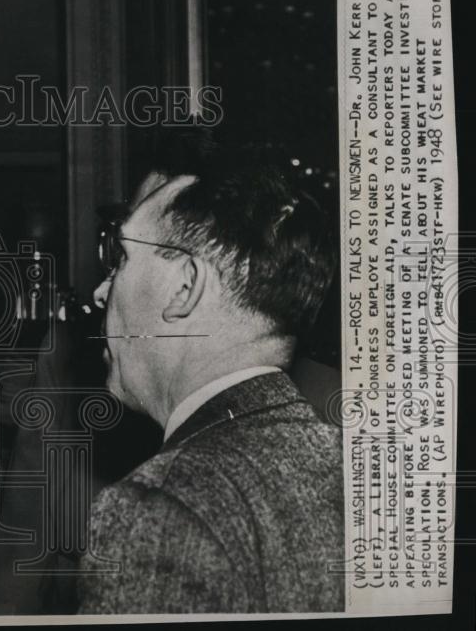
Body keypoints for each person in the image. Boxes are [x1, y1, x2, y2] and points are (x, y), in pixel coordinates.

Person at [78, 160, 344, 613]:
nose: (102, 292)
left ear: (185, 286)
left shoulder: (156, 507)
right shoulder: (358, 467)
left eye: (121, 257)